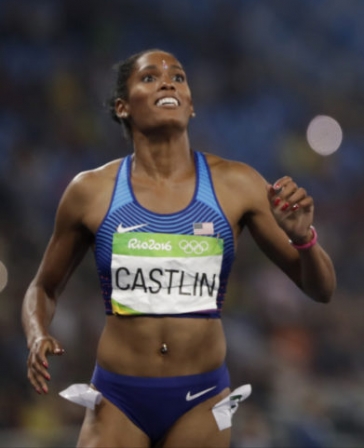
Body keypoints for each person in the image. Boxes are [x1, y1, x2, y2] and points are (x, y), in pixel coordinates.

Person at [22, 49, 337, 447]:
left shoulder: (237, 184)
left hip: (201, 400)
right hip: (119, 397)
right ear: (123, 107)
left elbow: (322, 290)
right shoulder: (91, 191)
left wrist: (303, 239)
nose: (168, 82)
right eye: (150, 78)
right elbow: (42, 288)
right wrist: (36, 334)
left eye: (179, 77)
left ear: (191, 106)